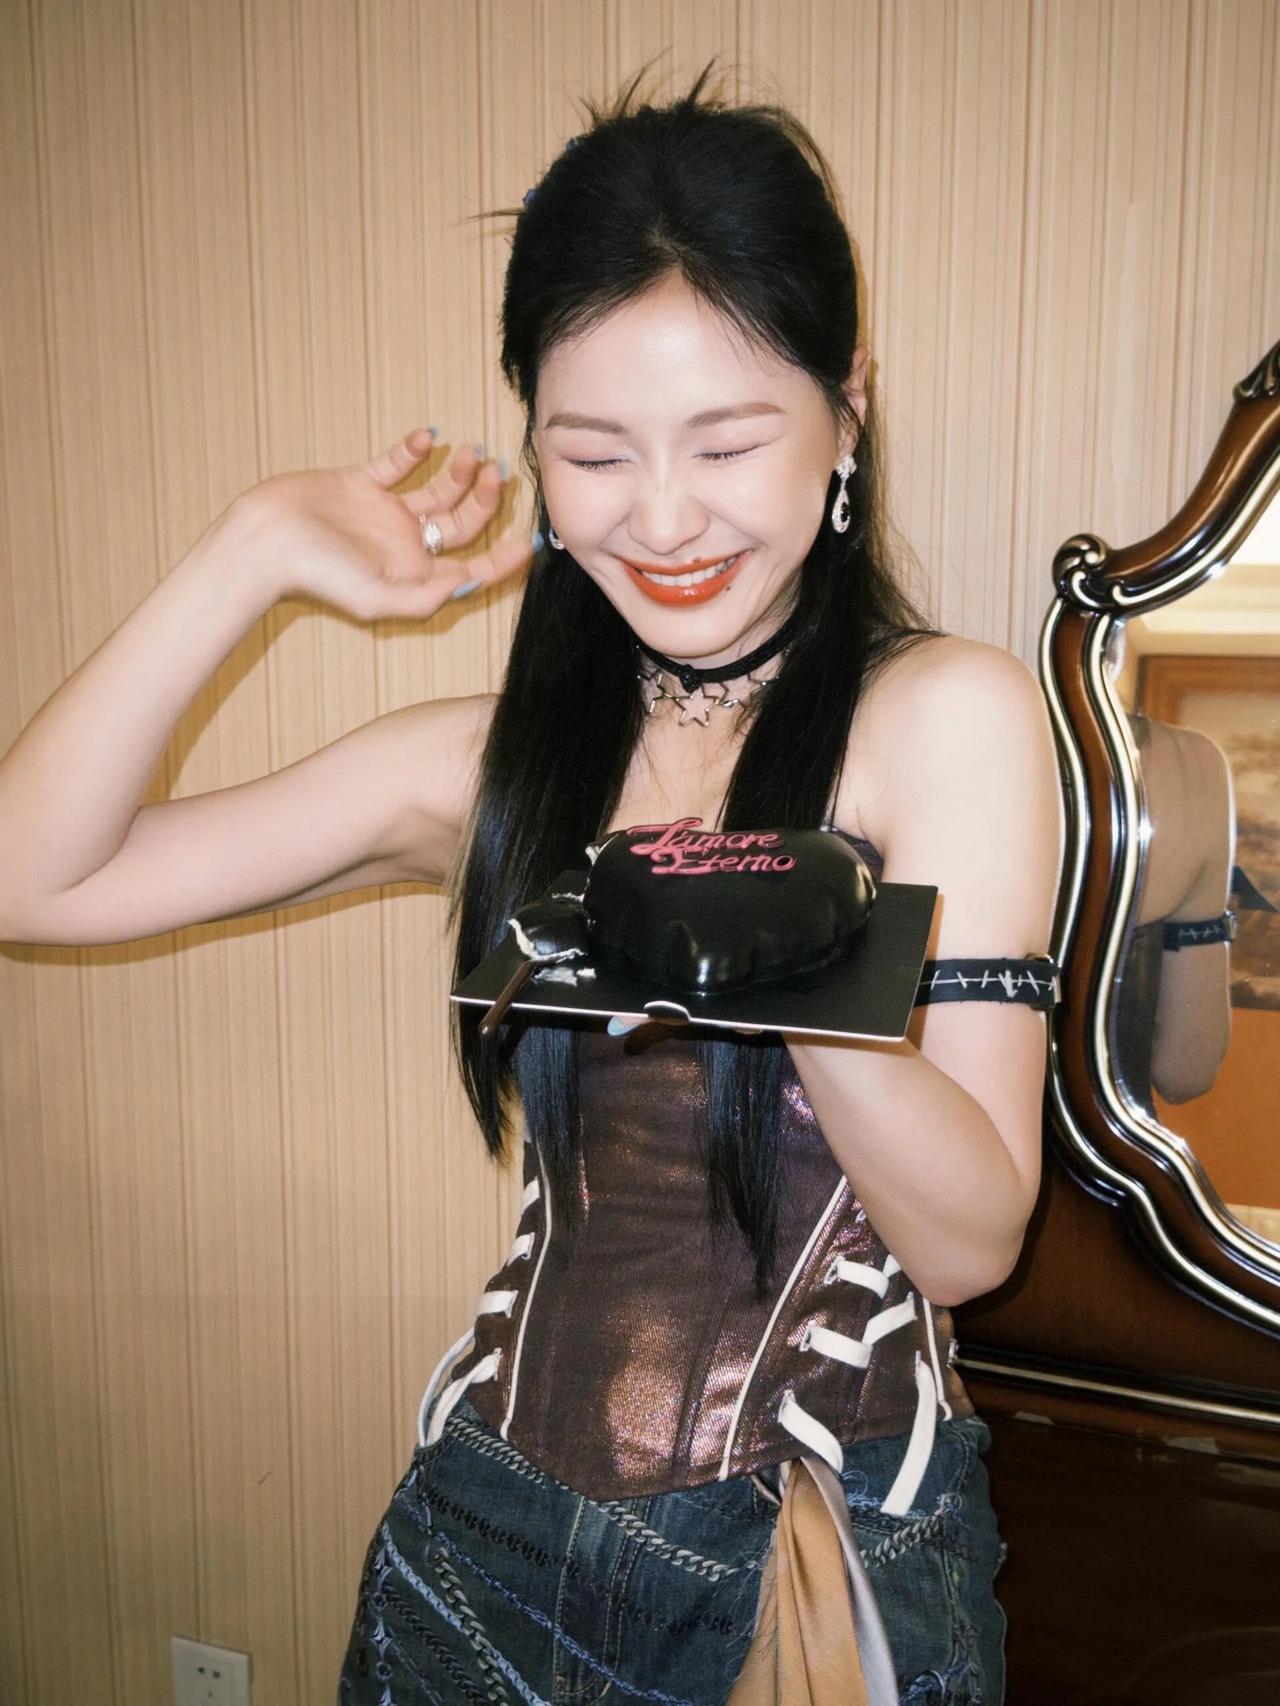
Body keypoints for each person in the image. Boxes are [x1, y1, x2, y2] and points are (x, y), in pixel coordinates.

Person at [0, 58, 1063, 1706]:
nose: (665, 518)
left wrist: (788, 963)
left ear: (848, 408)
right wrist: (256, 548)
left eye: (728, 440)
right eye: (595, 453)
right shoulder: (505, 765)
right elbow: (35, 876)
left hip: (797, 1577)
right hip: (478, 1553)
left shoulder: (945, 720)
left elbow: (973, 1237)